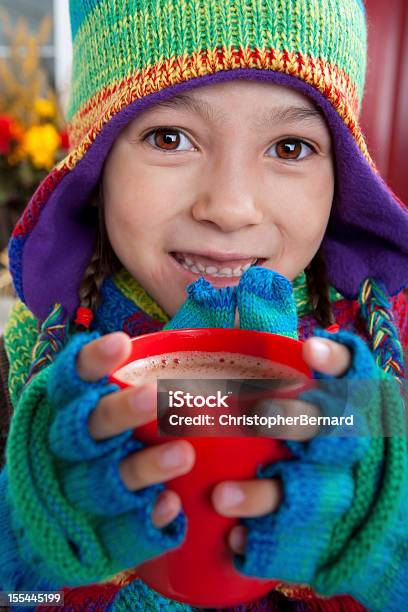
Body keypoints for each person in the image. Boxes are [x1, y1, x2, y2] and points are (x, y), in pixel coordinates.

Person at [1, 0, 408, 610]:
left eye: (291, 147)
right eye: (171, 138)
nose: (230, 206)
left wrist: (384, 546)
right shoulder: (31, 374)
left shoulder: (388, 361)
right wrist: (31, 544)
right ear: (98, 163)